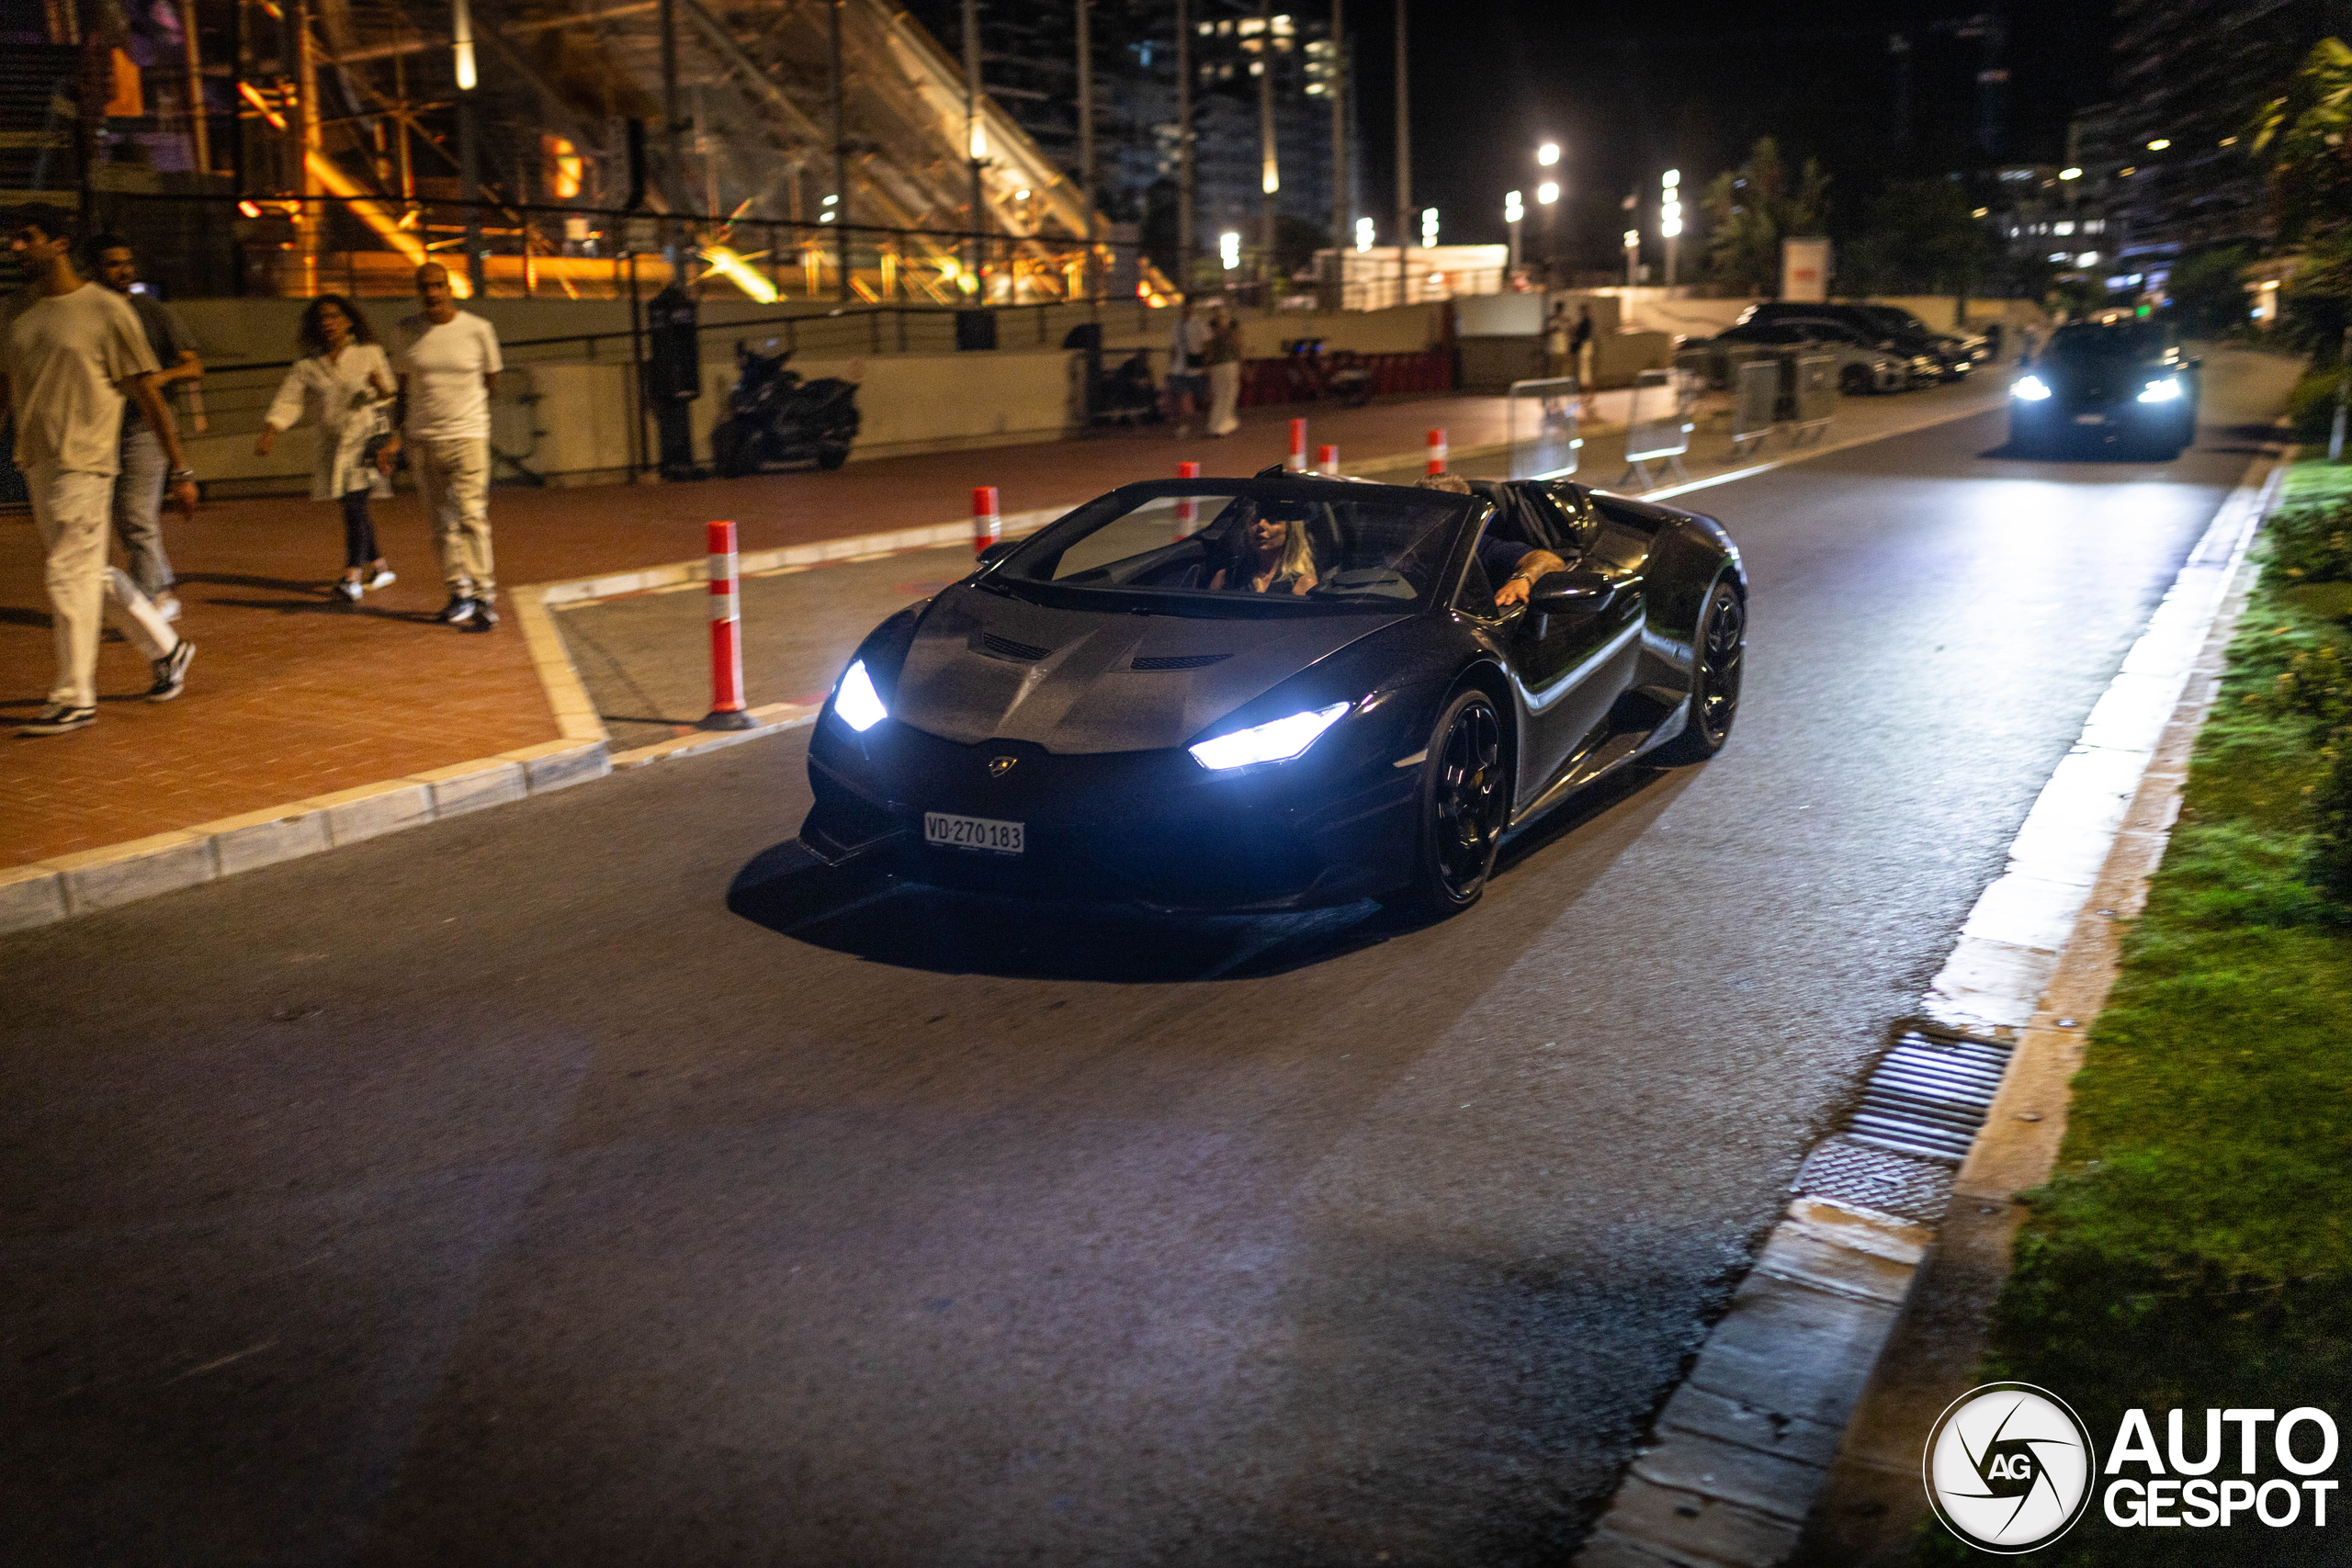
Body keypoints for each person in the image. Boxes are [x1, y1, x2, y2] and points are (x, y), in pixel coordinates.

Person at [2, 208, 197, 736]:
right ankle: (167, 647)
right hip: (39, 462)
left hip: (85, 460)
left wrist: (180, 469)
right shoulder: (21, 315)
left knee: (67, 572)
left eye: (27, 238)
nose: (17, 247)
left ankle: (74, 697)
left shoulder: (106, 310)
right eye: (13, 239)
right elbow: (8, 391)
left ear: (59, 242)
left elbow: (146, 392)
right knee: (86, 570)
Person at [379, 263, 503, 630]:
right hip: (422, 440)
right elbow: (401, 391)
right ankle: (458, 593)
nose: (432, 293)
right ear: (418, 291)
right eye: (424, 287)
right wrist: (394, 434)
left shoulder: (479, 330)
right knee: (440, 523)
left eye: (438, 285)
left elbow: (492, 381)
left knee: (472, 516)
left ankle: (484, 596)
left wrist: (466, 412)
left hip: (468, 436)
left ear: (450, 287)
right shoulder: (406, 333)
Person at [88, 232, 203, 623]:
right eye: (112, 263)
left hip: (146, 428)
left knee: (135, 516)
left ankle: (150, 602)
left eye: (127, 262)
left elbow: (193, 365)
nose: (123, 270)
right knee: (121, 519)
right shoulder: (87, 313)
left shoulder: (153, 312)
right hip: (101, 429)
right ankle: (162, 582)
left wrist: (158, 379)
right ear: (92, 269)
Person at [255, 295, 398, 602]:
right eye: (322, 318)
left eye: (334, 316)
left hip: (363, 441)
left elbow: (390, 397)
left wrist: (380, 388)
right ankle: (380, 568)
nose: (328, 323)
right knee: (352, 507)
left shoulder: (368, 353)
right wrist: (272, 431)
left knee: (355, 506)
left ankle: (352, 577)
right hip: (333, 446)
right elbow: (289, 399)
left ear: (348, 321)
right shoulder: (309, 365)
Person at [1417, 473, 1566, 609]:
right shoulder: (1404, 548)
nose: (1430, 520)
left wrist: (1523, 579)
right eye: (1423, 512)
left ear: (1464, 518)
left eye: (1440, 513)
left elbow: (1550, 560)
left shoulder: (1479, 547)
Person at [1209, 507, 1318, 595]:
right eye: (1255, 520)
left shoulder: (1303, 584)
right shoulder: (1227, 577)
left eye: (1272, 521)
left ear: (1289, 530)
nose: (1260, 525)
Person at [1166, 297, 1208, 435]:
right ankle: (1184, 425)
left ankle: (1203, 423)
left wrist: (1206, 363)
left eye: (1189, 307)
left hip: (1195, 367)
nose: (1186, 310)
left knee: (1200, 398)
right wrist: (1171, 365)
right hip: (1179, 367)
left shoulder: (1199, 324)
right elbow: (1173, 347)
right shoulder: (1176, 326)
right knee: (1183, 396)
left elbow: (1208, 344)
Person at [1201, 303, 1243, 438]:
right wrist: (1242, 362)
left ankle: (1214, 425)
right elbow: (1237, 345)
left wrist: (1207, 364)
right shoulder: (1231, 327)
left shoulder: (1209, 327)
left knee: (1219, 396)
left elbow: (1208, 349)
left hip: (1217, 366)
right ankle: (1222, 425)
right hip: (1229, 364)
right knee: (1229, 395)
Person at [1572, 305, 1597, 415]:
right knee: (1585, 373)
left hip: (1584, 348)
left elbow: (1581, 336)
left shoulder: (1585, 322)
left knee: (1585, 373)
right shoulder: (1588, 321)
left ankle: (1588, 396)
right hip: (1586, 348)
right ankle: (1587, 396)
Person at [1545, 301, 1573, 381]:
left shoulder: (1566, 320)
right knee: (1553, 371)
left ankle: (1562, 388)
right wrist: (1554, 329)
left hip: (1563, 349)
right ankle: (1552, 388)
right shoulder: (1551, 320)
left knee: (1563, 371)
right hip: (1553, 349)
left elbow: (1570, 333)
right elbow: (1546, 332)